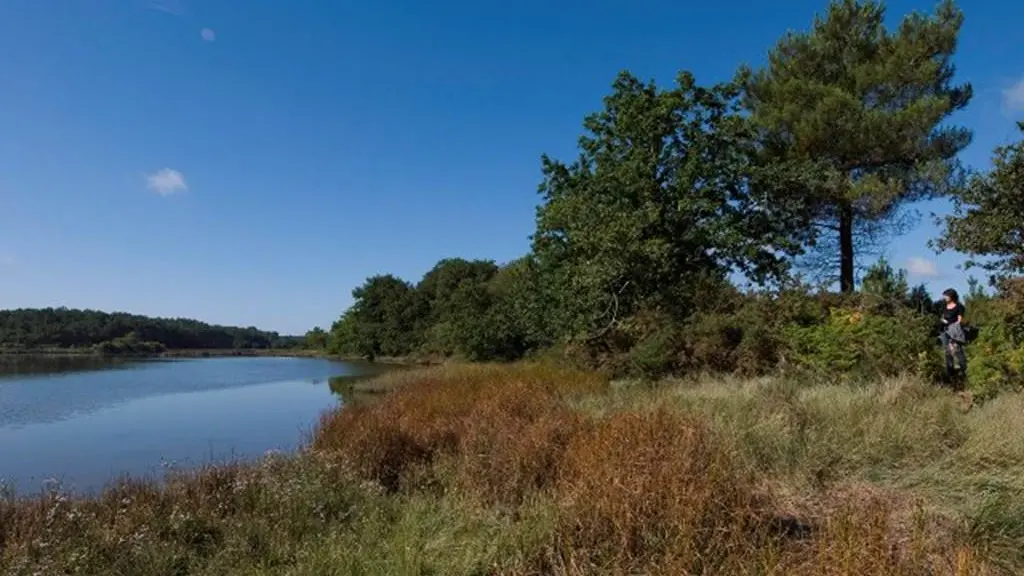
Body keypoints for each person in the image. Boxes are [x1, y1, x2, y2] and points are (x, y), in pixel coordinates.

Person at [939, 288, 967, 382]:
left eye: (946, 296)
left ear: (951, 296)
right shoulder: (944, 306)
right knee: (947, 352)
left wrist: (952, 324)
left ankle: (964, 370)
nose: (945, 297)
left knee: (957, 351)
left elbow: (959, 320)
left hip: (954, 331)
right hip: (944, 330)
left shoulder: (959, 306)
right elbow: (942, 316)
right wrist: (943, 321)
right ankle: (950, 373)